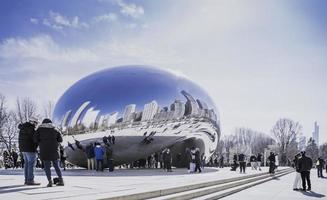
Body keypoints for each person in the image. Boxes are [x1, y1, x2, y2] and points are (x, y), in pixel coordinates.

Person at [35, 118, 64, 187]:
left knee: (47, 167)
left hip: (44, 150)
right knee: (56, 166)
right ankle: (61, 180)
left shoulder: (39, 130)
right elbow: (60, 139)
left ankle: (50, 182)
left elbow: (35, 139)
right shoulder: (55, 129)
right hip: (54, 150)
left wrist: (40, 141)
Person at [18, 117, 40, 185]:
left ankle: (27, 180)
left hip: (23, 149)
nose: (36, 125)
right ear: (33, 122)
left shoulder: (23, 128)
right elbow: (34, 139)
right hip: (30, 149)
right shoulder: (31, 128)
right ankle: (30, 180)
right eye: (36, 123)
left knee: (27, 164)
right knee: (31, 165)